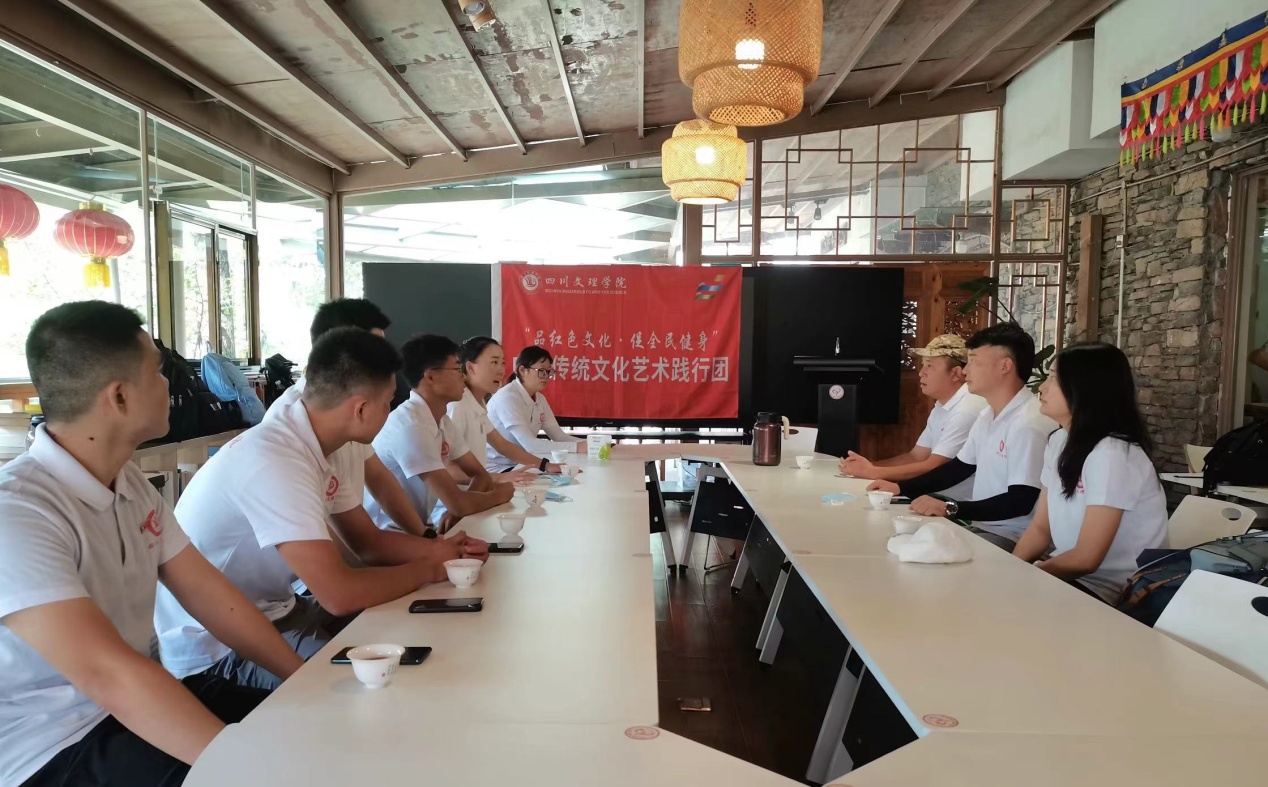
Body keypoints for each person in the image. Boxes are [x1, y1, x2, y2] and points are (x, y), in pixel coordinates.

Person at [0, 301, 303, 786]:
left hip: (134, 699)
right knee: (278, 770)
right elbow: (107, 674)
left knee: (309, 729)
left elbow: (211, 595)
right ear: (119, 397)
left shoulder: (130, 483)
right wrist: (241, 767)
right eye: (158, 372)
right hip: (51, 745)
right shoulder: (17, 511)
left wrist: (304, 681)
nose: (170, 385)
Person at [155, 328, 458, 691]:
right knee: (370, 688)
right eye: (388, 402)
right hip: (216, 648)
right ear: (361, 409)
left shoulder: (323, 442)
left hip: (281, 608)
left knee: (413, 635)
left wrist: (440, 552)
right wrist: (429, 569)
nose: (390, 411)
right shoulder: (277, 459)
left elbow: (368, 543)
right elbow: (339, 593)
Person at [868, 323, 1056, 550]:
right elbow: (958, 469)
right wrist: (900, 488)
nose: (965, 370)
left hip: (1012, 536)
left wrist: (951, 507)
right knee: (894, 541)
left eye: (974, 361)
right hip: (981, 526)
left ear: (1005, 366)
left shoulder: (1027, 423)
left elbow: (1021, 500)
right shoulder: (988, 414)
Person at [1013, 343, 1166, 601]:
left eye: (1054, 379)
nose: (1042, 388)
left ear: (1086, 389)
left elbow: (1086, 559)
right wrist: (1011, 570)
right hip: (1070, 576)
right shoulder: (1059, 440)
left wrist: (1024, 579)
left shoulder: (1113, 454)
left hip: (1114, 589)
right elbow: (1040, 529)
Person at [370, 335, 516, 533]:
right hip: (390, 533)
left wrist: (458, 510)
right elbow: (458, 502)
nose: (463, 376)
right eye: (457, 369)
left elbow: (480, 475)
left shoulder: (442, 420)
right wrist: (499, 495)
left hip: (422, 528)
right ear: (430, 377)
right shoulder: (411, 426)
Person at [839, 334, 985, 492]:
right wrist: (867, 467)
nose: (921, 373)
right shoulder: (942, 405)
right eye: (923, 365)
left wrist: (873, 472)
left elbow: (934, 466)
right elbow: (915, 457)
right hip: (934, 496)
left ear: (955, 373)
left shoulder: (967, 409)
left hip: (955, 502)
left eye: (930, 366)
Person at [448, 336, 564, 479]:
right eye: (494, 362)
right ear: (470, 367)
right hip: (473, 486)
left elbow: (503, 446)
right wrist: (499, 479)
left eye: (502, 363)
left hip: (480, 483)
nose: (501, 370)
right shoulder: (457, 404)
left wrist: (545, 465)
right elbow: (449, 470)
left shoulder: (478, 402)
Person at [486, 346, 583, 471]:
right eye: (541, 370)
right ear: (522, 370)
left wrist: (592, 445)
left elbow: (559, 437)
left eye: (549, 371)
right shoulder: (507, 397)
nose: (546, 376)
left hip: (524, 464)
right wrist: (578, 447)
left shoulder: (540, 399)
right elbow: (530, 445)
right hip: (498, 468)